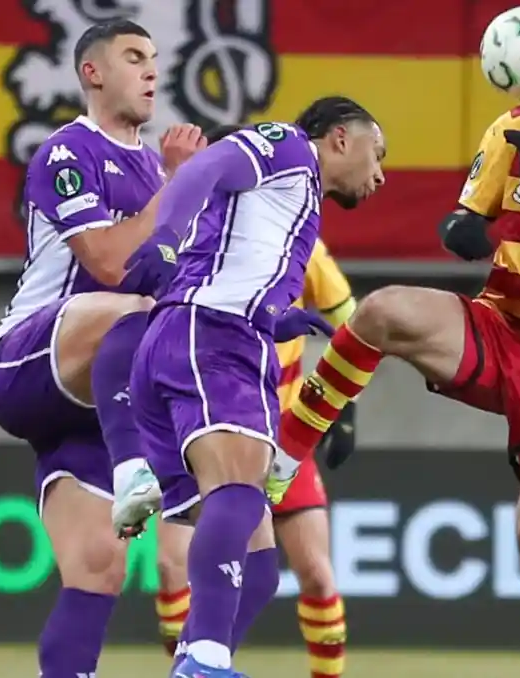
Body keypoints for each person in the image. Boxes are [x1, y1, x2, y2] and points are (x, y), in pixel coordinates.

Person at [271, 8, 520, 677]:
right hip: (501, 328)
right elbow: (469, 218)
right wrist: (463, 230)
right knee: (382, 310)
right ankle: (287, 456)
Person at [0, 19, 203, 678]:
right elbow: (106, 262)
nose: (152, 70)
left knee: (99, 567)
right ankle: (137, 467)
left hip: (100, 399)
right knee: (139, 315)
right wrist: (178, 186)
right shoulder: (67, 151)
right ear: (92, 72)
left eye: (155, 58)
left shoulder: (154, 168)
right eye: (134, 57)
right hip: (29, 360)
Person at [129, 97, 385, 678]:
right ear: (340, 138)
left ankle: (192, 661)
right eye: (378, 153)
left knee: (262, 566)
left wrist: (274, 316)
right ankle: (205, 663)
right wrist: (165, 235)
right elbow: (207, 163)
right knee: (240, 495)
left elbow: (226, 254)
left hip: (199, 339)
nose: (381, 174)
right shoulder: (290, 147)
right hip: (213, 340)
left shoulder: (294, 201)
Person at [151, 237, 359, 678]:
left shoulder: (304, 246)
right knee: (172, 568)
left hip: (282, 433)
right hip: (209, 418)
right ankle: (189, 667)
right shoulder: (198, 239)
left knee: (316, 574)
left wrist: (345, 404)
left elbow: (349, 321)